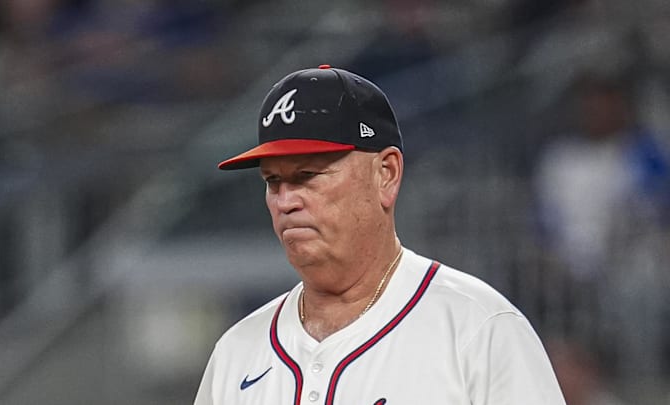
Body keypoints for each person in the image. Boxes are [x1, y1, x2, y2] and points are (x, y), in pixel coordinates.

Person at [194, 64, 566, 404]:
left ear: (385, 174)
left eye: (307, 175)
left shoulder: (477, 328)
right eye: (273, 181)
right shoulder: (237, 352)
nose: (286, 200)